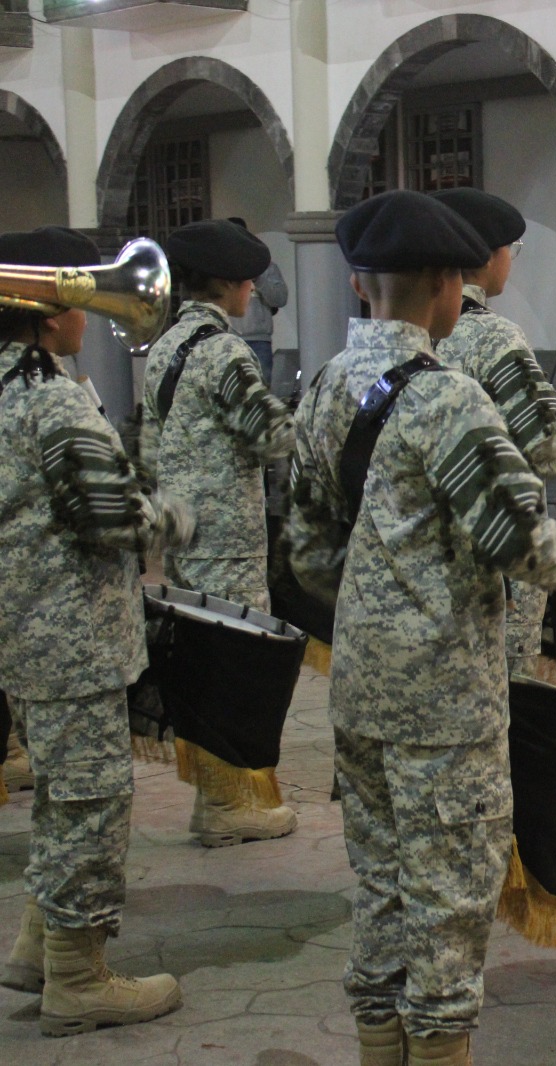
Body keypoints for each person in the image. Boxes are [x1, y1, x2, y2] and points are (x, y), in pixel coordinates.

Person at [286, 189, 556, 1066]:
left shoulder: (323, 389)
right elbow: (519, 541)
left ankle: (378, 1046)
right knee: (452, 886)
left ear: (360, 286)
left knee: (381, 878)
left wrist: (374, 596)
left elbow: (307, 550)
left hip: (361, 683)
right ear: (449, 287)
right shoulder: (450, 400)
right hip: (444, 695)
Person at [0, 226, 191, 1036]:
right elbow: (109, 518)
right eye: (81, 294)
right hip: (73, 635)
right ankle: (79, 980)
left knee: (61, 798)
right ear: (51, 314)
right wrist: (174, 517)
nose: (93, 310)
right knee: (92, 800)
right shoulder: (48, 400)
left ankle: (39, 948)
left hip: (28, 634)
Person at [141, 218, 299, 846]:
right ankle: (227, 804)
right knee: (236, 666)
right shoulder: (225, 350)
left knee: (201, 661)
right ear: (232, 284)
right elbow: (270, 436)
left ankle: (215, 796)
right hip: (228, 539)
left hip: (182, 531)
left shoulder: (164, 347)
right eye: (249, 284)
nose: (253, 294)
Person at [429, 187, 556, 683]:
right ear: (488, 257)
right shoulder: (492, 336)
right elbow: (544, 443)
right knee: (503, 697)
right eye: (512, 251)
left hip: (416, 563)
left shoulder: (405, 334)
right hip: (495, 554)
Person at [226, 217, 288, 388]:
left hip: (259, 342)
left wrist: (258, 277)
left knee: (260, 393)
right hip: (227, 341)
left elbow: (280, 298)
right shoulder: (218, 269)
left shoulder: (266, 266)